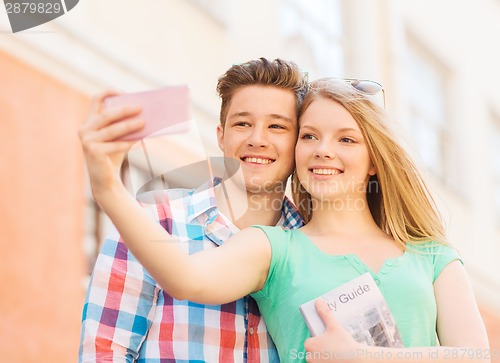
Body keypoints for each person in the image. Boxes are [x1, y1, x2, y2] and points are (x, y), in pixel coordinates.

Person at [82, 77, 490, 363]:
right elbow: (187, 278)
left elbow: (477, 357)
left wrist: (363, 357)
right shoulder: (275, 246)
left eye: (346, 139)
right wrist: (109, 190)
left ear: (374, 163)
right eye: (310, 136)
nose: (322, 150)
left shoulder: (431, 255)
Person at [78, 57, 309, 362]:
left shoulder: (313, 243)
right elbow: (105, 353)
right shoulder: (152, 221)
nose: (257, 139)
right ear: (221, 136)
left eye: (277, 126)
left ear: (299, 142)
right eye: (243, 123)